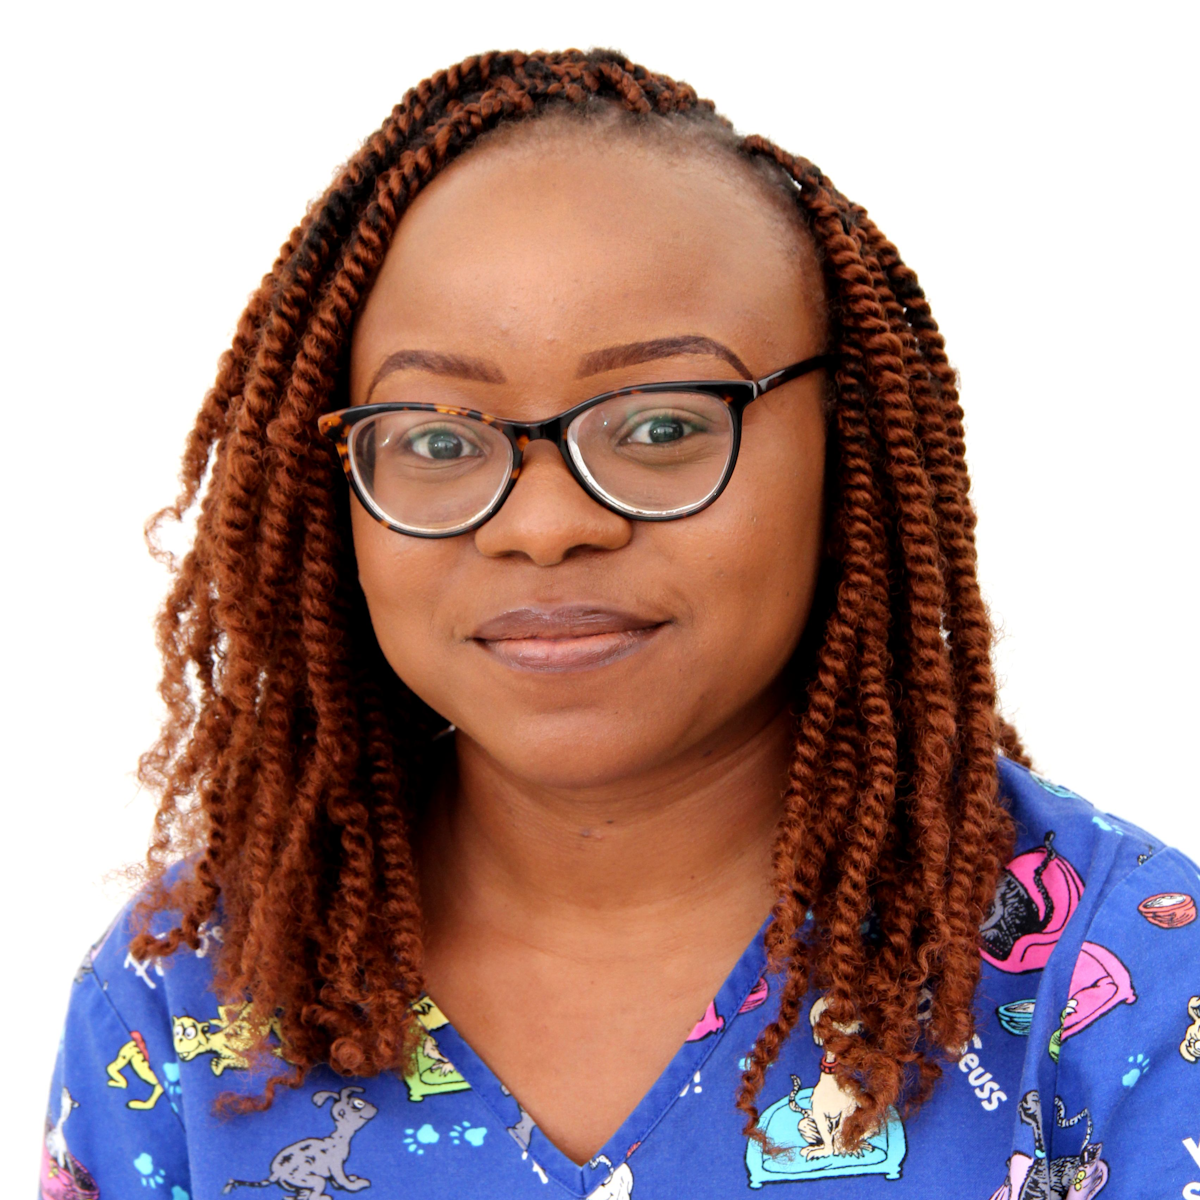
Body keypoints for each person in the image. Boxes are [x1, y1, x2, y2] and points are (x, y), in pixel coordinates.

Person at [39, 49, 1200, 1200]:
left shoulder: (1122, 983)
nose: (545, 526)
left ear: (848, 452)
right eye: (437, 440)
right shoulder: (176, 1005)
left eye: (661, 427)